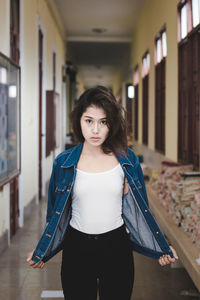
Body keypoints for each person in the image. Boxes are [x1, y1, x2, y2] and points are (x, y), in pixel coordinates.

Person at [27, 86, 179, 300]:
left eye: (103, 122)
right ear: (79, 122)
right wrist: (44, 249)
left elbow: (140, 211)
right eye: (89, 121)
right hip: (77, 249)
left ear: (112, 124)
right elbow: (54, 214)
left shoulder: (127, 160)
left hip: (116, 248)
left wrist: (161, 247)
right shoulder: (64, 162)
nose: (95, 130)